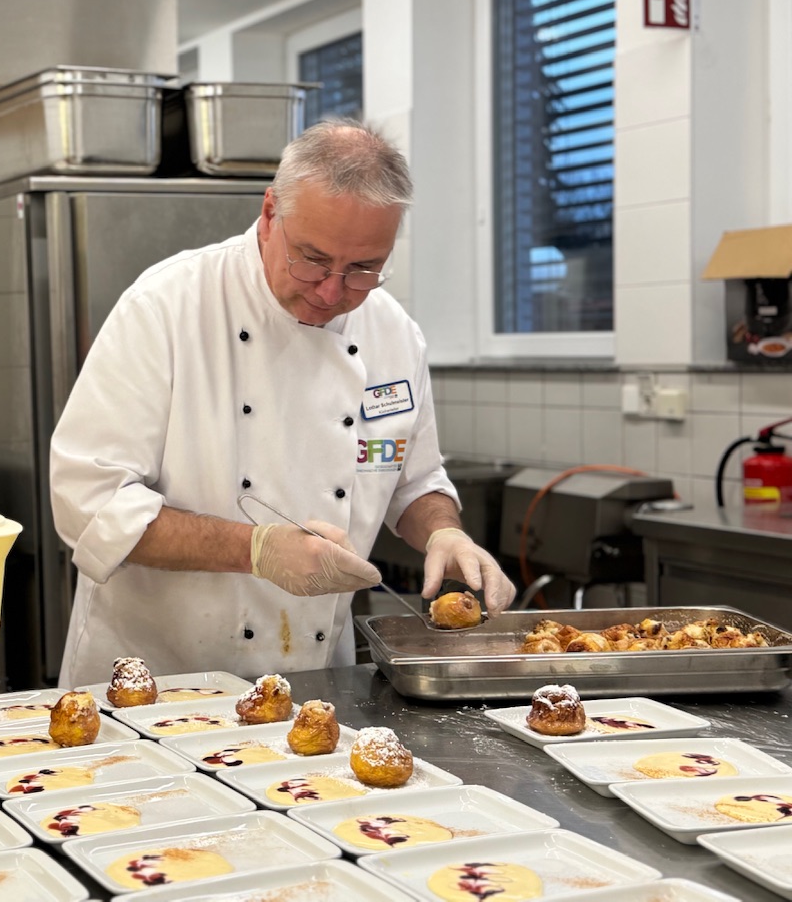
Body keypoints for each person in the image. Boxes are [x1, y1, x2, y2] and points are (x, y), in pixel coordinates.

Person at [49, 118, 515, 688]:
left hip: (312, 682)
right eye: (312, 259)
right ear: (270, 213)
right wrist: (258, 550)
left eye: (363, 269)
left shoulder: (393, 333)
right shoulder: (167, 306)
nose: (332, 291)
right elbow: (89, 503)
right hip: (157, 681)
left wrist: (445, 532)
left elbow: (414, 481)